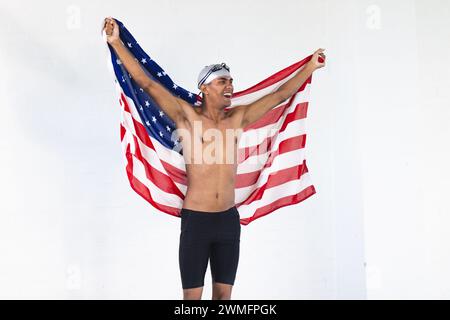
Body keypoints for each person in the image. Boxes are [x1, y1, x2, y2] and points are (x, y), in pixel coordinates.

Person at [103, 17, 325, 300]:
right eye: (222, 81)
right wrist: (116, 42)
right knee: (192, 301)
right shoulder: (186, 117)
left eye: (231, 81)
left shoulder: (238, 118)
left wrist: (310, 67)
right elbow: (146, 82)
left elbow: (281, 94)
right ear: (205, 88)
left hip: (228, 221)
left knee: (223, 298)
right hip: (197, 220)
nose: (230, 86)